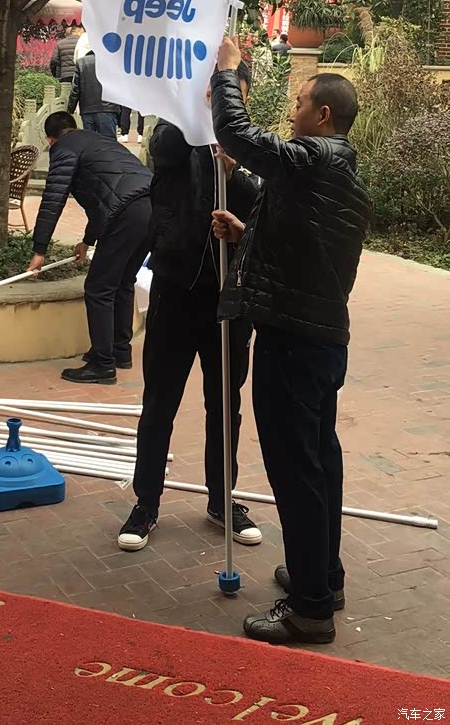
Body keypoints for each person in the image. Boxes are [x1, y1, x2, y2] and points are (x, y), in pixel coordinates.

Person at [211, 39, 370, 647]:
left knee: (296, 471)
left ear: (322, 115)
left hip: (294, 341)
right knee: (319, 463)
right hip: (319, 341)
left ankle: (309, 610)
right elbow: (304, 247)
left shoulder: (315, 156)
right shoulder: (337, 169)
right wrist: (247, 233)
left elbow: (241, 136)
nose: (293, 110)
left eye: (300, 102)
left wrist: (228, 73)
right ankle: (321, 578)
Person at [118, 62, 262, 553]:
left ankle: (222, 500)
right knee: (160, 402)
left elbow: (261, 213)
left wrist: (235, 171)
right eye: (212, 94)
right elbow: (165, 151)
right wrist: (196, 118)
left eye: (231, 96)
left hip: (228, 301)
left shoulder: (249, 150)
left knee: (225, 405)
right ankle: (146, 502)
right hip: (176, 293)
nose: (220, 104)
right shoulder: (174, 137)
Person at [28, 111, 152, 383]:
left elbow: (53, 198)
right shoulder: (97, 140)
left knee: (98, 288)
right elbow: (103, 202)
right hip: (153, 204)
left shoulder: (63, 149)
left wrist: (39, 251)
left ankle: (102, 365)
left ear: (49, 139)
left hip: (127, 212)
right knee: (122, 282)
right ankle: (119, 352)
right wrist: (87, 241)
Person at [68, 49, 122, 138]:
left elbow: (75, 89)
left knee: (90, 141)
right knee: (108, 142)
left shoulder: (81, 62)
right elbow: (120, 86)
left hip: (87, 109)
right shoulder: (112, 62)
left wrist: (70, 109)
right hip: (108, 109)